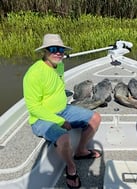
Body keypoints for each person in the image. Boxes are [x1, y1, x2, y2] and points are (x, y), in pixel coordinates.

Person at [23, 34, 102, 188]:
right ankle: (71, 168)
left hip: (64, 109)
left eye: (61, 49)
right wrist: (60, 121)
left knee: (96, 118)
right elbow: (33, 108)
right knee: (64, 138)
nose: (58, 53)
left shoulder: (59, 65)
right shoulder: (33, 74)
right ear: (45, 51)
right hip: (41, 118)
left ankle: (80, 151)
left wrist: (63, 112)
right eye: (53, 49)